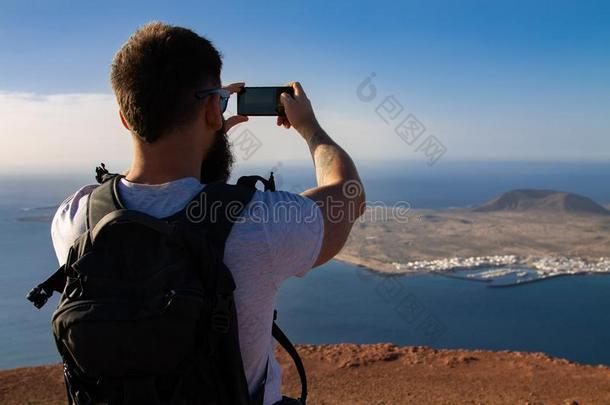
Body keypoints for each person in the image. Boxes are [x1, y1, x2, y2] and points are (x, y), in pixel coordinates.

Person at [51, 22, 365, 405]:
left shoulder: (76, 220)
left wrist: (207, 143)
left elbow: (165, 205)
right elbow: (349, 195)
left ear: (125, 118)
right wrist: (310, 128)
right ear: (213, 109)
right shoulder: (259, 224)